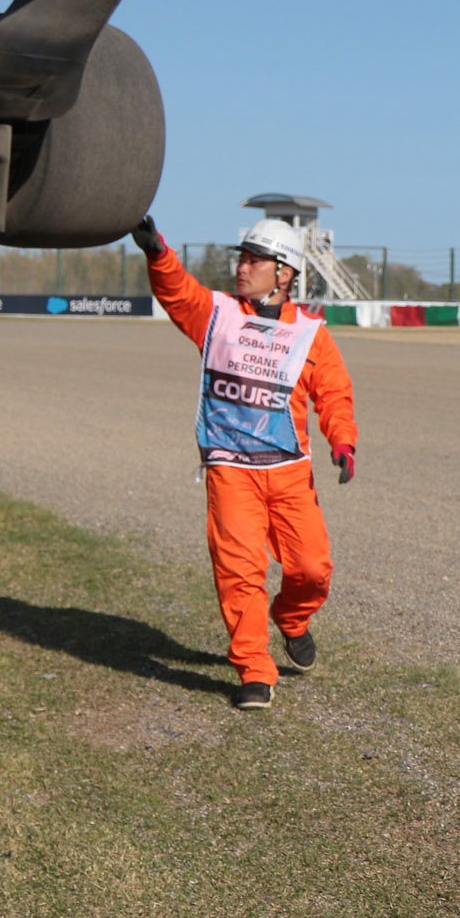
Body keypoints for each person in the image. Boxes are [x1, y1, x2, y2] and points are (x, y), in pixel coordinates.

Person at [130, 215, 358, 711]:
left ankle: (292, 619)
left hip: (289, 472)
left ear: (284, 273)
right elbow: (178, 292)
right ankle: (255, 669)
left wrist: (343, 441)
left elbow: (334, 392)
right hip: (231, 469)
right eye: (242, 258)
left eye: (255, 260)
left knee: (312, 568)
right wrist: (157, 252)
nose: (242, 267)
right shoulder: (216, 314)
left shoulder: (311, 334)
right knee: (239, 571)